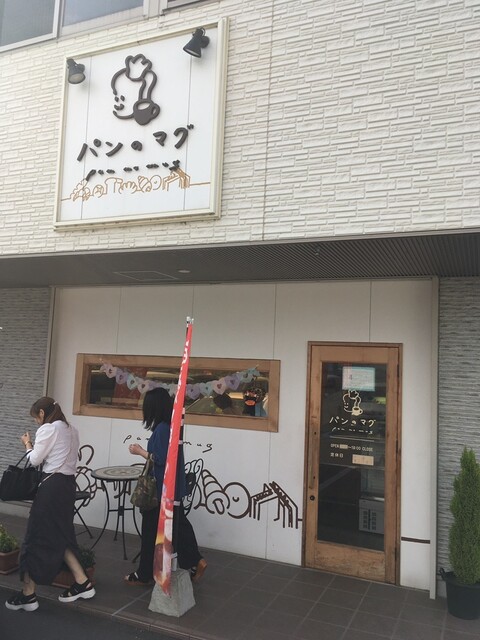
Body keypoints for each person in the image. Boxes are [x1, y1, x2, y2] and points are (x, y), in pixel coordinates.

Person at [5, 397, 95, 612]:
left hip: (51, 488)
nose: (36, 422)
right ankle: (82, 582)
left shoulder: (49, 429)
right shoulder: (72, 429)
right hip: (67, 486)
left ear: (42, 414)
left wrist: (27, 444)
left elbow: (35, 459)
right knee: (60, 534)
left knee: (35, 536)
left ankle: (28, 594)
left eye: (36, 417)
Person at [125, 387, 206, 585]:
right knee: (177, 527)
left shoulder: (161, 429)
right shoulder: (171, 426)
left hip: (160, 489)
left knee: (150, 532)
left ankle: (145, 573)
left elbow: (161, 459)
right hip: (171, 488)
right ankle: (194, 560)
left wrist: (140, 451)